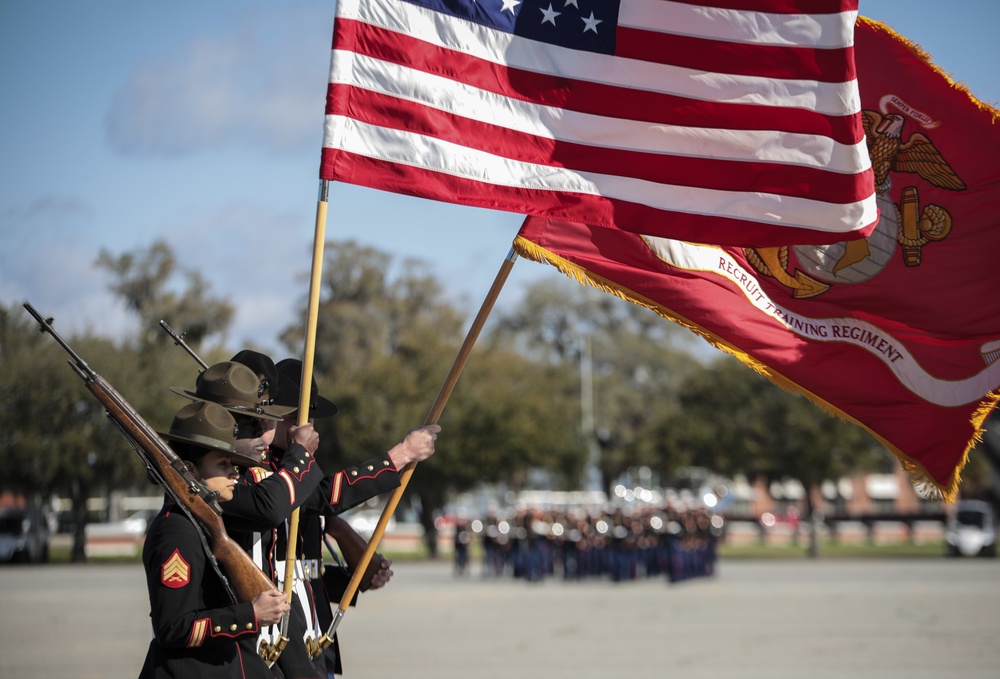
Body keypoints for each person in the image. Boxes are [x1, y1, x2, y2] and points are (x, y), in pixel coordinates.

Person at [139, 400, 290, 679]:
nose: (235, 472)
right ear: (190, 469)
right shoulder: (176, 530)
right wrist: (250, 615)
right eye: (222, 464)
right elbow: (174, 628)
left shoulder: (200, 522)